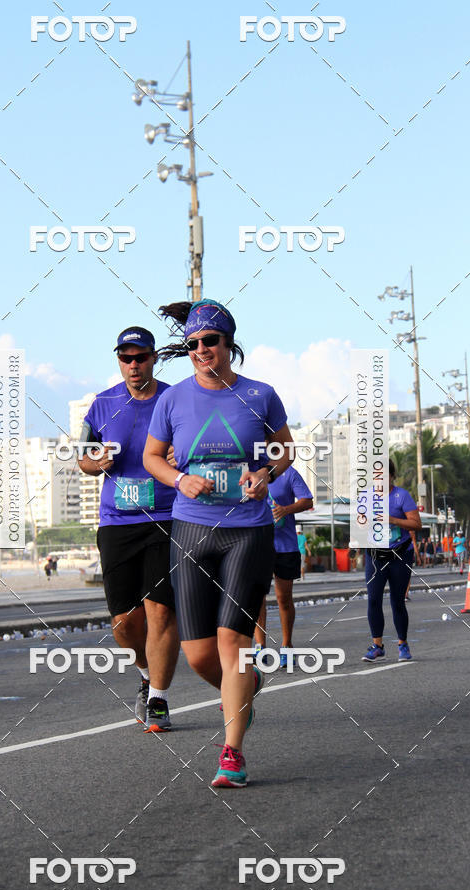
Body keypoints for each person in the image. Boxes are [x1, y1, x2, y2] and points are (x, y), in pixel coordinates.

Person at [143, 299, 294, 788]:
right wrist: (178, 479)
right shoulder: (172, 400)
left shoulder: (260, 394)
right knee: (199, 655)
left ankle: (232, 752)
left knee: (233, 642)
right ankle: (243, 693)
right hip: (190, 529)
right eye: (193, 344)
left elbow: (284, 449)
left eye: (211, 341)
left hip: (247, 530)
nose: (202, 350)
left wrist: (265, 473)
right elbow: (152, 457)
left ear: (229, 344)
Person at [78, 326, 180, 732]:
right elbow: (81, 457)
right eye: (126, 357)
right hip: (117, 522)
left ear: (154, 358)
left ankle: (158, 698)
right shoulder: (102, 404)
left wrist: (181, 453)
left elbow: (201, 446)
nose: (133, 364)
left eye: (140, 357)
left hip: (168, 518)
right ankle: (144, 671)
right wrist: (95, 461)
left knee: (161, 611)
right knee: (124, 622)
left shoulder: (174, 399)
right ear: (118, 360)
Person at [362, 459, 422, 663]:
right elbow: (359, 524)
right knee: (373, 599)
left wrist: (393, 520)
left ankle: (402, 644)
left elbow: (416, 523)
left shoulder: (401, 496)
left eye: (384, 475)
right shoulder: (366, 496)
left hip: (400, 554)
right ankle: (377, 646)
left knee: (397, 600)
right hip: (375, 555)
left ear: (392, 476)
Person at [253, 468, 313, 667]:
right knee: (256, 597)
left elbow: (307, 500)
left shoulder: (288, 473)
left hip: (285, 546)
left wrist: (286, 509)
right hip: (257, 544)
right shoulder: (248, 469)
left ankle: (287, 646)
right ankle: (260, 647)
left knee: (283, 598)